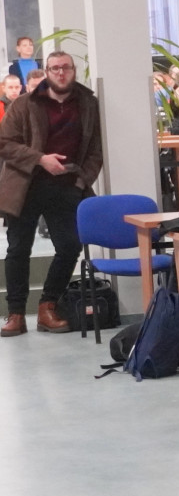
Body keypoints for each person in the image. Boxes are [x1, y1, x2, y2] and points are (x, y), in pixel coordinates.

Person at [0, 51, 102, 337]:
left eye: (65, 67)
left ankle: (48, 306)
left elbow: (96, 149)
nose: (60, 73)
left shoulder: (88, 104)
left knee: (70, 246)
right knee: (18, 249)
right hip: (25, 185)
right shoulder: (24, 104)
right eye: (55, 68)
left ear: (73, 70)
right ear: (46, 72)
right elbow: (4, 143)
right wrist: (40, 159)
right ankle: (16, 314)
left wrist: (82, 181)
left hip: (67, 186)